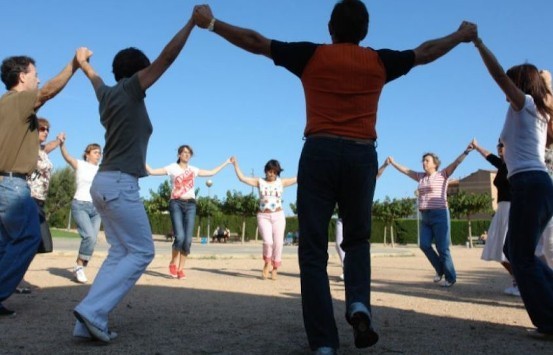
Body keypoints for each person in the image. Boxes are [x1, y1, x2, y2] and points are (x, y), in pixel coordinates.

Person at [193, 1, 476, 351]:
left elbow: (256, 41)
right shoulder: (379, 61)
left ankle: (324, 343)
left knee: (312, 249)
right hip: (361, 155)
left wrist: (212, 24)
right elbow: (425, 52)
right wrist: (460, 35)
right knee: (357, 240)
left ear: (330, 27)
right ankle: (358, 303)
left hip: (319, 152)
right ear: (366, 31)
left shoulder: (311, 56)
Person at [71, 14, 195, 342]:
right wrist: (191, 24)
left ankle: (85, 319)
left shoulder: (108, 94)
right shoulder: (130, 89)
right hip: (120, 183)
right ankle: (93, 311)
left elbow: (94, 77)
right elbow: (166, 59)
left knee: (119, 252)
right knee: (142, 251)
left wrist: (83, 62)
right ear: (138, 71)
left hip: (104, 184)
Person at [472, 35, 553, 338]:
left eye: (511, 82)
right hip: (532, 186)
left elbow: (496, 75)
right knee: (516, 250)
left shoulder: (526, 104)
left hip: (531, 185)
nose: (505, 89)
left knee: (520, 256)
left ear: (518, 83)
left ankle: (548, 320)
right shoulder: (534, 109)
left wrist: (479, 44)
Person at [0, 50, 87, 317]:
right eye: (35, 75)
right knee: (29, 236)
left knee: (5, 244)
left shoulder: (5, 104)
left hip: (5, 183)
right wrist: (74, 64)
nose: (38, 81)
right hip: (12, 185)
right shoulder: (18, 100)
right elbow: (48, 91)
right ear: (22, 77)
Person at [387, 143, 473, 288]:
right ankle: (440, 270)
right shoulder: (420, 177)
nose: (424, 163)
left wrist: (466, 151)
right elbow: (406, 171)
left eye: (427, 160)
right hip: (425, 216)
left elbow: (456, 163)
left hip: (440, 214)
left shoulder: (443, 174)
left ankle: (451, 277)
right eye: (423, 161)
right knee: (424, 244)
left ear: (435, 164)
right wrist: (393, 162)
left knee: (442, 247)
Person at [146, 146, 231, 279]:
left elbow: (211, 172)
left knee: (188, 240)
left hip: (191, 205)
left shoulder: (193, 170)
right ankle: (173, 262)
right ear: (179, 154)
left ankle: (181, 269)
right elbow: (151, 171)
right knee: (179, 237)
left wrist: (226, 162)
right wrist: (139, 156)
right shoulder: (172, 168)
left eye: (189, 153)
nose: (186, 154)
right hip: (176, 203)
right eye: (184, 152)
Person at [230, 157, 296, 280]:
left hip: (278, 215)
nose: (272, 174)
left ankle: (275, 268)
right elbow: (242, 178)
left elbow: (298, 178)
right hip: (263, 215)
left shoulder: (281, 182)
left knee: (278, 242)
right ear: (266, 170)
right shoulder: (259, 181)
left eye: (275, 172)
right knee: (268, 242)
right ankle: (267, 262)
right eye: (270, 171)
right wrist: (235, 165)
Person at [471, 138, 519, 295]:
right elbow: (488, 156)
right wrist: (477, 146)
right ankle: (517, 280)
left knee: (511, 248)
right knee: (497, 249)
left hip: (513, 209)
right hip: (502, 209)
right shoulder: (502, 165)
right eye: (499, 145)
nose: (500, 148)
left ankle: (522, 284)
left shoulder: (516, 164)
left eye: (503, 145)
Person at [335, 161, 390, 281]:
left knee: (357, 245)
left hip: (357, 216)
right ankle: (347, 268)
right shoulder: (341, 181)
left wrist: (385, 165)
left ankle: (354, 271)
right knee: (339, 245)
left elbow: (376, 175)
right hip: (341, 217)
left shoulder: (362, 181)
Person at [59, 134, 102, 283]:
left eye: (100, 153)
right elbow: (67, 157)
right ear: (87, 154)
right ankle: (79, 267)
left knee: (93, 239)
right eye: (96, 152)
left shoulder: (101, 170)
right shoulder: (80, 165)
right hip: (80, 205)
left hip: (97, 209)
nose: (99, 155)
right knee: (89, 236)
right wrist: (61, 144)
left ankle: (79, 266)